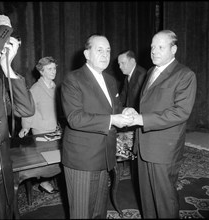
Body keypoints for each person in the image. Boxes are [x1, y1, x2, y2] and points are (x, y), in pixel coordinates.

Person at [123, 30, 197, 218]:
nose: (154, 51)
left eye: (160, 47)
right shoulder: (151, 71)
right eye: (152, 47)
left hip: (164, 150)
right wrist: (136, 112)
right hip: (144, 146)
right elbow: (150, 103)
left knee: (164, 203)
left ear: (174, 49)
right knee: (147, 201)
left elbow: (180, 112)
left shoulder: (185, 75)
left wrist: (142, 119)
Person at [61, 34, 134, 219]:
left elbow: (114, 109)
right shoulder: (73, 79)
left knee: (98, 213)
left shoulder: (110, 80)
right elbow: (75, 118)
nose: (105, 54)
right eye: (99, 49)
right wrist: (112, 120)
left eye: (108, 50)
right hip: (83, 160)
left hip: (105, 156)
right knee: (82, 214)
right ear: (87, 53)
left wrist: (125, 111)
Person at [0, 14, 35, 219]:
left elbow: (26, 110)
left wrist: (7, 68)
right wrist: (2, 29)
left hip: (1, 168)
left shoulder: (0, 83)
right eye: (3, 37)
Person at [19, 56, 59, 194]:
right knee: (47, 161)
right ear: (41, 71)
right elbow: (28, 111)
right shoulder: (35, 89)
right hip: (41, 129)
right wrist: (25, 127)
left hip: (53, 127)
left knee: (54, 160)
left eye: (54, 68)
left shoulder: (54, 86)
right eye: (49, 69)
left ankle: (45, 181)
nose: (53, 71)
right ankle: (44, 182)